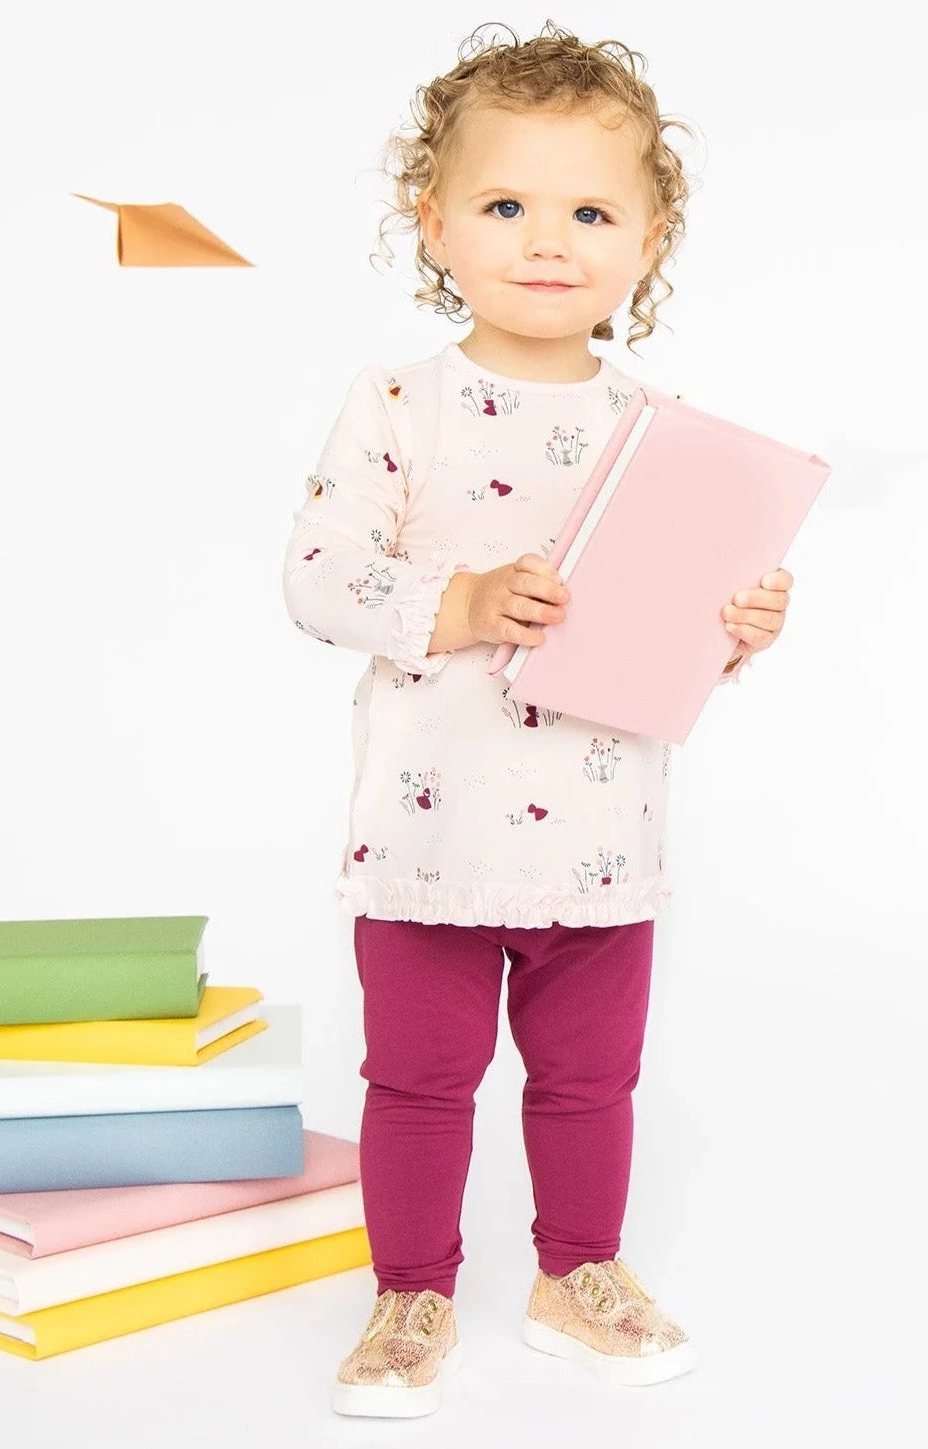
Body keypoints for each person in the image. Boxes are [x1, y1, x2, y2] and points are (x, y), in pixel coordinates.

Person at [281, 19, 794, 1419]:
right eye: (505, 204)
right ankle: (412, 1292)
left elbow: (664, 621)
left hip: (598, 826)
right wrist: (457, 603)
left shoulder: (659, 429)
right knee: (420, 1076)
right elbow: (318, 576)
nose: (546, 239)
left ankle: (579, 1273)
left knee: (587, 1080)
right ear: (431, 219)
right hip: (428, 825)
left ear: (650, 235)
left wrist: (735, 629)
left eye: (588, 209)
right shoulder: (400, 400)